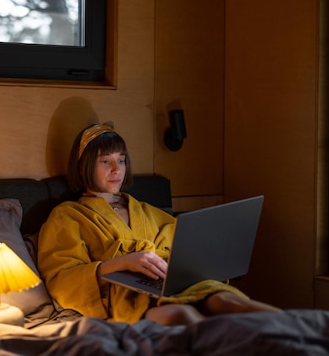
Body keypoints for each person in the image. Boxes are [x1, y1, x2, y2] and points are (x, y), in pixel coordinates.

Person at [37, 122, 280, 326]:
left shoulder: (144, 209)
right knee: (183, 317)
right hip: (130, 292)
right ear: (84, 166)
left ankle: (303, 332)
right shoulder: (67, 215)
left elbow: (187, 244)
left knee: (227, 301)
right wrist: (122, 263)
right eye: (105, 161)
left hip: (173, 280)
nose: (116, 170)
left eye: (121, 161)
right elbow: (60, 280)